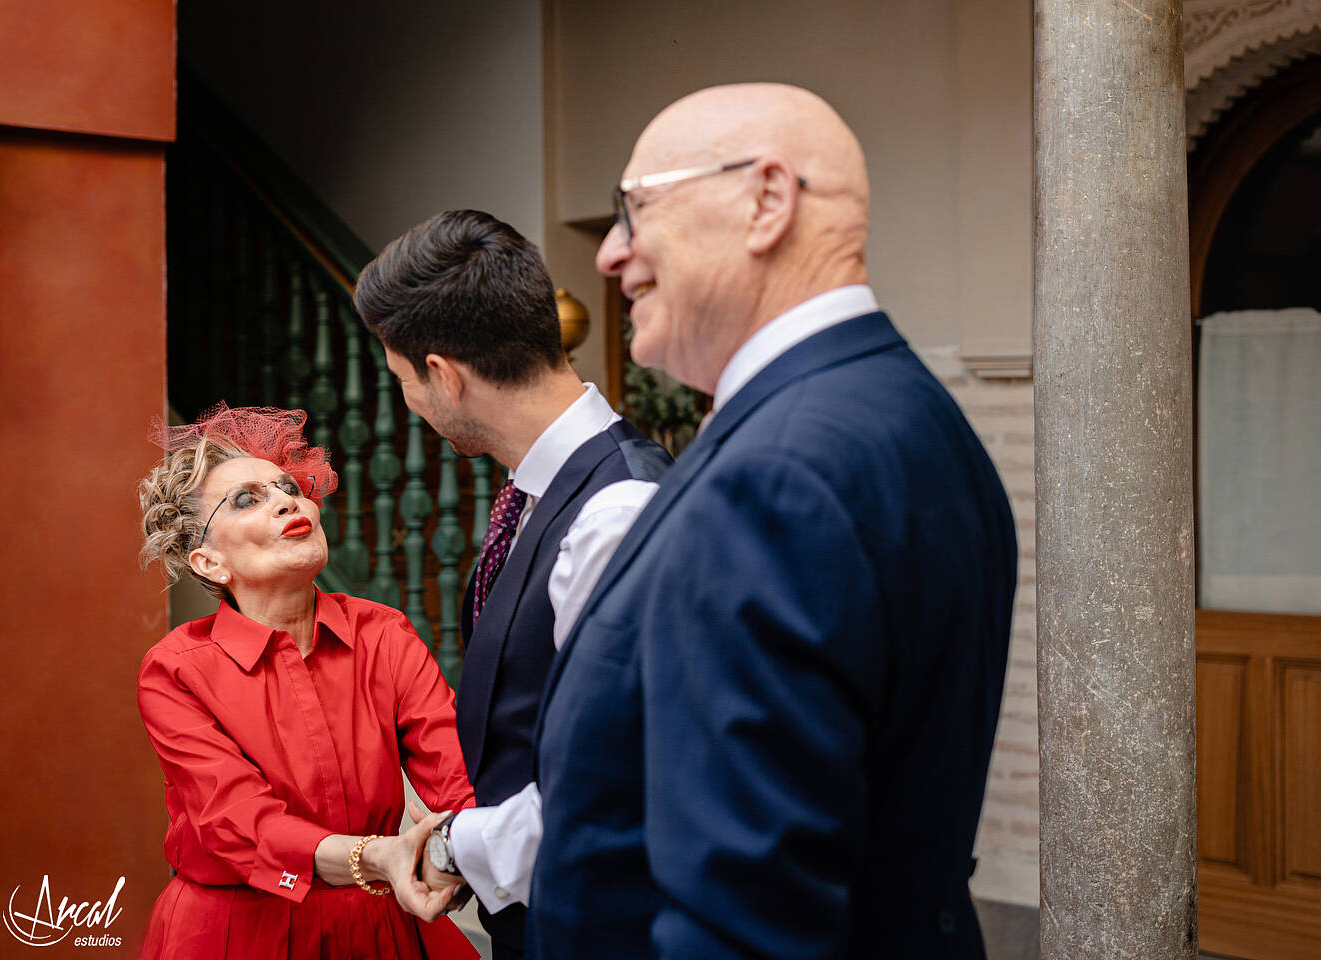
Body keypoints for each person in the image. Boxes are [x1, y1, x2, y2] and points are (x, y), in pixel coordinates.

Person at [528, 84, 1018, 958]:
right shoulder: (901, 409)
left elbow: (744, 915)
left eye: (634, 210)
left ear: (766, 201)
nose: (609, 255)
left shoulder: (778, 475)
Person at [352, 209, 672, 960]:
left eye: (403, 381)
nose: (410, 404)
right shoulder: (539, 493)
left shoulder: (618, 510)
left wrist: (458, 847)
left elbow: (624, 780)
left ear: (444, 376)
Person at [135, 403, 478, 960]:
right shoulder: (177, 669)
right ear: (210, 563)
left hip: (382, 926)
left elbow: (455, 769)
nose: (286, 501)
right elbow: (239, 821)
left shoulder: (383, 633)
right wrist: (381, 858)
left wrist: (461, 848)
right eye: (248, 499)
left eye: (287, 487)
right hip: (238, 935)